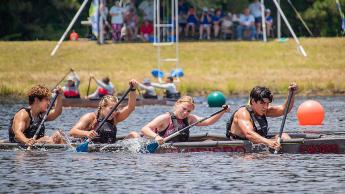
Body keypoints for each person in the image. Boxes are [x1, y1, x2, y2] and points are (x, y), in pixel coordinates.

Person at [225, 83, 298, 150]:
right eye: (262, 103)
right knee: (249, 159)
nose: (265, 107)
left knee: (284, 136)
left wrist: (291, 94)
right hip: (239, 150)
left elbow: (284, 109)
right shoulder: (243, 113)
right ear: (253, 101)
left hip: (257, 144)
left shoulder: (263, 110)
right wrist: (269, 142)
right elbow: (249, 134)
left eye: (267, 103)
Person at [70, 79, 140, 143]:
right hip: (92, 151)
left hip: (111, 149)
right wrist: (86, 133)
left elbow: (131, 108)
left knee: (134, 134)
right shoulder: (90, 117)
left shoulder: (115, 117)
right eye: (111, 108)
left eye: (115, 109)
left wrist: (133, 90)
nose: (114, 112)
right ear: (103, 107)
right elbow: (72, 131)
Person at [141, 96, 229, 144]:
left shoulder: (190, 118)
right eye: (184, 109)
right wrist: (156, 137)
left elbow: (209, 121)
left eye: (189, 111)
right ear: (177, 104)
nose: (186, 113)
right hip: (162, 151)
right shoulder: (165, 118)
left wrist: (222, 111)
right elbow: (145, 129)